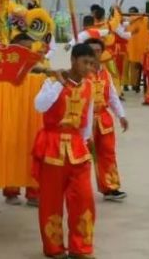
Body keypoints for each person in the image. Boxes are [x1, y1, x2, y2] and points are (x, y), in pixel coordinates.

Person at [31, 43, 96, 259]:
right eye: (85, 62)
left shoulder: (90, 86)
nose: (88, 67)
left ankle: (81, 247)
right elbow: (39, 106)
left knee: (83, 198)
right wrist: (59, 84)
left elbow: (87, 119)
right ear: (73, 61)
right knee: (51, 200)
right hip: (52, 145)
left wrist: (87, 142)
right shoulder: (51, 81)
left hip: (77, 148)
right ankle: (54, 247)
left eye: (91, 63)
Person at [84, 38, 129, 202]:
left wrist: (121, 115)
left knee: (108, 154)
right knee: (82, 157)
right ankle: (80, 189)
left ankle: (111, 188)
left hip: (103, 118)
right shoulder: (81, 73)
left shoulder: (105, 73)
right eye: (91, 50)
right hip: (84, 121)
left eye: (97, 50)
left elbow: (112, 97)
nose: (94, 53)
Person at [2, 31, 41, 207]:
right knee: (11, 153)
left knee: (33, 153)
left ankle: (33, 193)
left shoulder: (39, 64)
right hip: (11, 114)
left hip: (32, 114)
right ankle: (11, 191)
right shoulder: (5, 67)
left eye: (29, 49)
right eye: (23, 49)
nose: (27, 52)